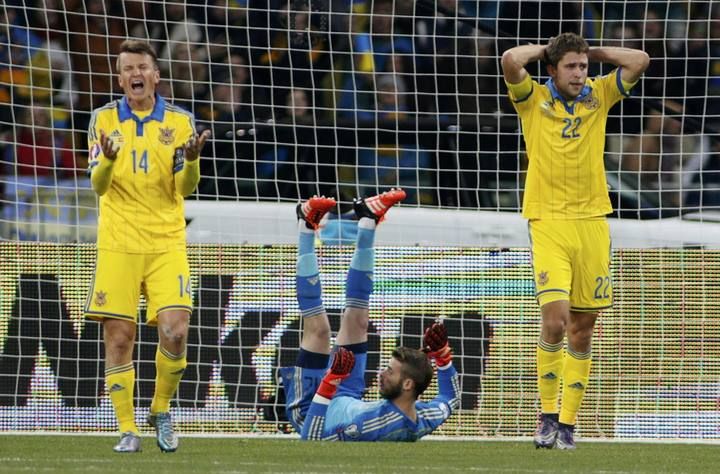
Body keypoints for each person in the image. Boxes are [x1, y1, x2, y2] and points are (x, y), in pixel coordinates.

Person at [501, 33, 649, 449]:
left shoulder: (599, 94)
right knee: (555, 320)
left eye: (583, 67)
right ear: (551, 69)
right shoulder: (531, 99)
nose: (580, 74)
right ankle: (545, 416)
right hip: (548, 220)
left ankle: (568, 423)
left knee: (582, 331)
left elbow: (639, 60)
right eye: (571, 66)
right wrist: (550, 48)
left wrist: (591, 53)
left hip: (592, 223)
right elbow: (511, 59)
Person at [84, 39, 211, 453]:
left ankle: (160, 410)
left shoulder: (180, 122)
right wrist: (106, 158)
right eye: (126, 69)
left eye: (141, 67)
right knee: (119, 338)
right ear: (120, 78)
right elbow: (98, 186)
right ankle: (127, 428)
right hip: (119, 243)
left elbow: (184, 188)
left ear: (156, 75)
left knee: (175, 332)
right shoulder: (102, 120)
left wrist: (191, 160)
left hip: (165, 241)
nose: (134, 74)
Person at [279, 188, 460, 441]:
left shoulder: (373, 426)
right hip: (348, 393)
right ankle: (367, 219)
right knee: (359, 321)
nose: (380, 374)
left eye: (389, 370)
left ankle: (306, 225)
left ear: (407, 385)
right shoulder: (423, 416)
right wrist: (443, 357)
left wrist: (330, 382)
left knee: (319, 331)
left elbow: (312, 439)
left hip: (311, 410)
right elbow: (450, 398)